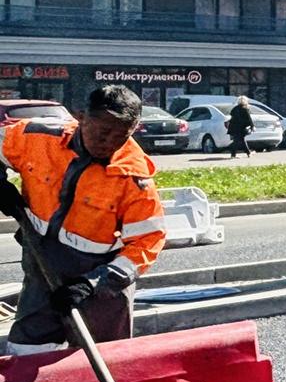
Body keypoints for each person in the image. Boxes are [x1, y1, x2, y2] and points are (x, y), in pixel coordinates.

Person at [0, 85, 166, 355]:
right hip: (42, 265)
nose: (109, 142)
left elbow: (148, 241)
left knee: (105, 358)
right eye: (103, 131)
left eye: (121, 136)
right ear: (82, 118)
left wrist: (92, 284)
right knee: (28, 350)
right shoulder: (37, 138)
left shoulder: (133, 180)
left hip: (100, 283)